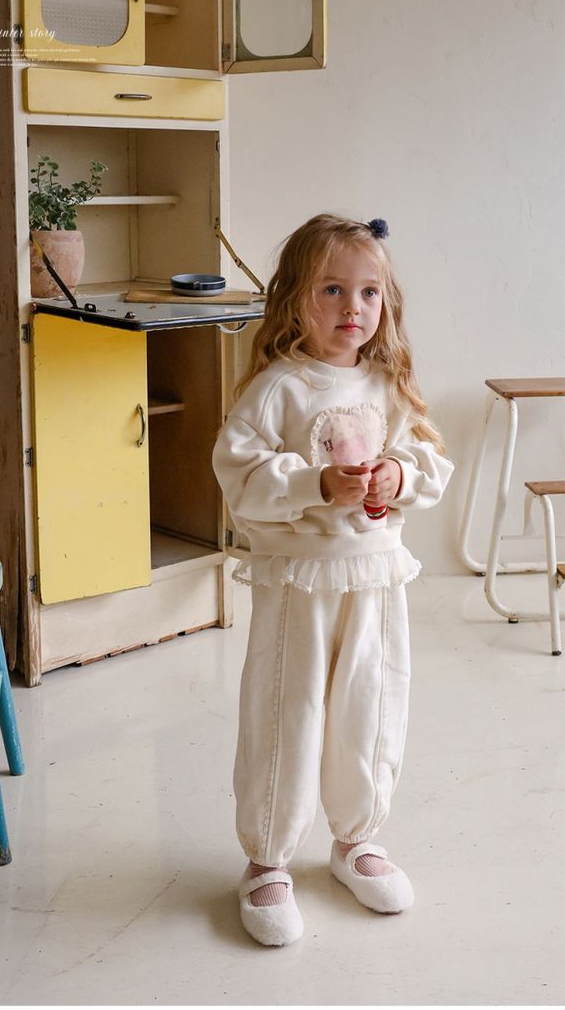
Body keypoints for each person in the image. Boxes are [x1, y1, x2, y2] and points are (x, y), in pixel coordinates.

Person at [211, 211, 453, 944]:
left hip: (374, 577)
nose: (354, 307)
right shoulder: (278, 388)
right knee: (287, 710)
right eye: (333, 289)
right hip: (299, 583)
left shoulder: (388, 383)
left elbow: (431, 460)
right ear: (295, 297)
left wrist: (399, 473)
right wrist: (315, 482)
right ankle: (267, 857)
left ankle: (357, 837)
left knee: (370, 702)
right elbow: (239, 472)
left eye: (369, 292)